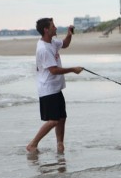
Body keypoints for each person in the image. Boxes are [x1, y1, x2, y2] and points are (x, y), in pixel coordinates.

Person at [26, 18, 83, 154]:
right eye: (53, 26)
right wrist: (73, 69)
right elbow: (54, 70)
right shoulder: (44, 49)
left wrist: (69, 34)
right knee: (53, 121)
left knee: (62, 118)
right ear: (46, 29)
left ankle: (60, 145)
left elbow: (64, 44)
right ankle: (32, 144)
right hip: (47, 88)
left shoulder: (52, 42)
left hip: (55, 88)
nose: (56, 28)